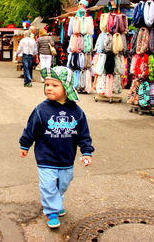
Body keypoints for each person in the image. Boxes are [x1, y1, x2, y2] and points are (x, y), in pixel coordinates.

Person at [19, 66, 94, 229]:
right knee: (48, 185)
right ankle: (51, 211)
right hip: (45, 157)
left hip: (66, 158)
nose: (49, 88)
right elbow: (31, 128)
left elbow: (83, 134)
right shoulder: (41, 110)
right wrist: (25, 144)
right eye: (47, 85)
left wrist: (87, 151)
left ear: (66, 88)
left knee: (63, 184)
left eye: (54, 85)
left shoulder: (77, 111)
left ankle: (56, 201)